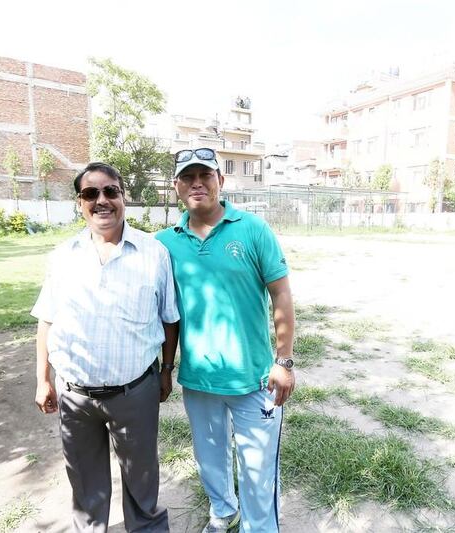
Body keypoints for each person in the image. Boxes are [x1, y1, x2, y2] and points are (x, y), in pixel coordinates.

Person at [31, 162, 179, 532]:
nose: (102, 201)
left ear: (123, 196)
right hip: (75, 396)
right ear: (79, 202)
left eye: (110, 191)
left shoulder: (153, 253)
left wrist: (165, 370)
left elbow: (170, 318)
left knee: (141, 478)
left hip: (135, 392)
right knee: (85, 484)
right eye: (90, 193)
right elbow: (47, 319)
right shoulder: (63, 256)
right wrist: (42, 379)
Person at [156, 148, 296, 533]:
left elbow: (281, 294)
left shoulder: (252, 229)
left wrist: (283, 362)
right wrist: (166, 369)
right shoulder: (164, 244)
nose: (197, 183)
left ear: (221, 179)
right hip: (199, 379)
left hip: (254, 380)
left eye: (205, 174)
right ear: (176, 187)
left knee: (258, 470)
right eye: (187, 177)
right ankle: (224, 512)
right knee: (209, 459)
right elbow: (168, 316)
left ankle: (259, 528)